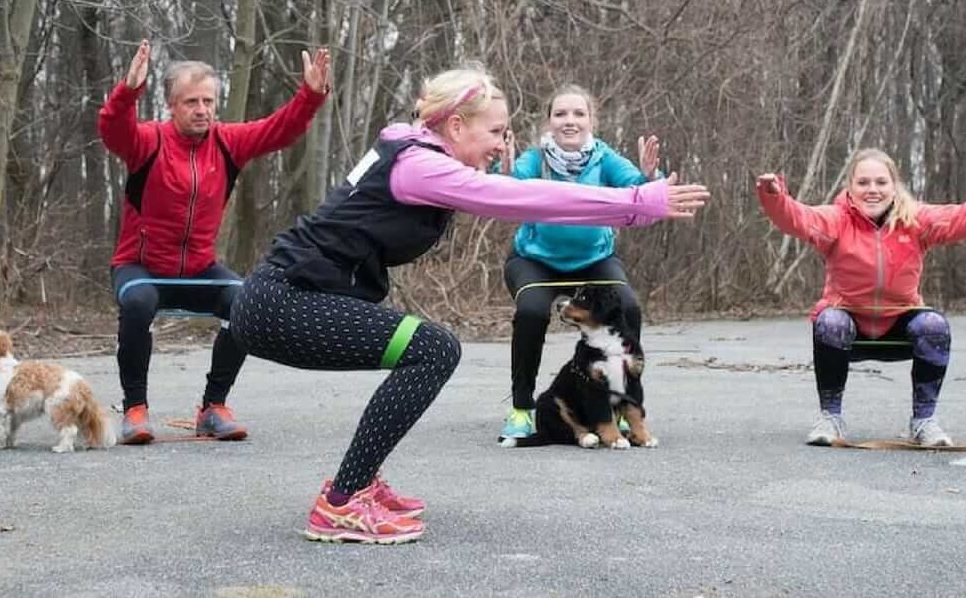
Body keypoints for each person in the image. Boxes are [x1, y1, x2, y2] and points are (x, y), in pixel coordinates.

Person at [228, 66, 710, 544]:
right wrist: (634, 203)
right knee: (434, 349)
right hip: (282, 302)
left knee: (430, 349)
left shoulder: (413, 147)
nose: (502, 144)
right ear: (456, 126)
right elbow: (526, 198)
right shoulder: (420, 165)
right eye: (496, 131)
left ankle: (357, 486)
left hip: (281, 297)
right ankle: (342, 502)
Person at [98, 39, 331, 444]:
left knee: (244, 301)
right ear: (171, 104)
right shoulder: (147, 142)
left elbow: (280, 130)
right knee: (137, 304)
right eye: (191, 101)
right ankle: (135, 409)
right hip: (141, 267)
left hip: (199, 268)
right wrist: (128, 92)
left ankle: (212, 407)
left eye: (208, 101)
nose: (202, 109)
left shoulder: (227, 143)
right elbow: (113, 129)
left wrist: (309, 96)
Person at [754, 149, 966, 447]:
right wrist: (774, 196)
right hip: (847, 324)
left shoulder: (915, 219)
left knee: (933, 323)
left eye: (881, 182)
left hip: (900, 322)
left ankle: (923, 421)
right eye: (863, 182)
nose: (872, 190)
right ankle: (830, 418)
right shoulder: (837, 219)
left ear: (894, 186)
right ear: (850, 188)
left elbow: (963, 218)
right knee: (829, 320)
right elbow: (798, 218)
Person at [497, 84, 662, 445]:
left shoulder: (605, 159)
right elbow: (507, 188)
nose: (569, 121)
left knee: (629, 307)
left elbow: (641, 190)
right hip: (535, 261)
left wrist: (649, 176)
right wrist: (506, 171)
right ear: (549, 121)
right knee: (531, 312)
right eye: (561, 114)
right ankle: (522, 410)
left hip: (594, 261)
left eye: (578, 114)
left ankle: (619, 404)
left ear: (591, 121)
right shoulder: (535, 159)